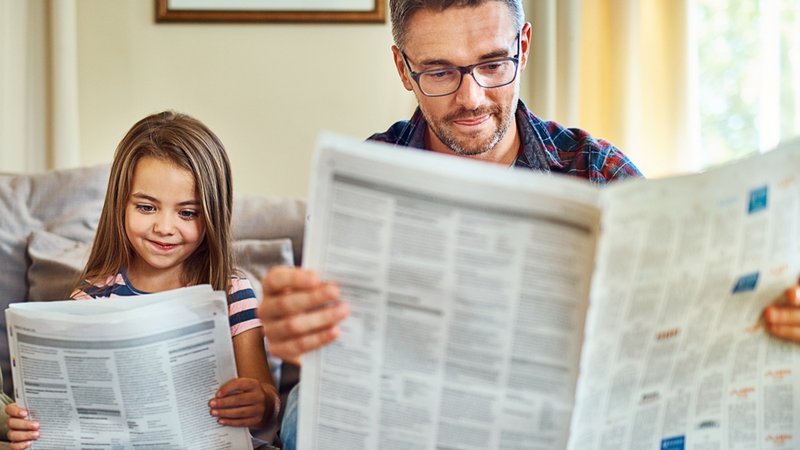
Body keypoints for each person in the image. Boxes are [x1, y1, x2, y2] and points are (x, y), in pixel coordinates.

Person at [261, 0, 800, 447]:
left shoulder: (594, 167)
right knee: (303, 412)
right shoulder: (363, 178)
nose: (471, 99)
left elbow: (690, 304)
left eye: (493, 64)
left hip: (564, 417)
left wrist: (774, 308)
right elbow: (323, 351)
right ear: (404, 68)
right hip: (415, 417)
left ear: (523, 45)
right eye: (441, 72)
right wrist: (294, 332)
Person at [4, 111, 280, 449]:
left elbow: (268, 406)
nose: (164, 227)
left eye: (187, 213)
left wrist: (261, 403)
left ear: (212, 215)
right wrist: (28, 427)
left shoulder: (232, 292)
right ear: (120, 205)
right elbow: (70, 414)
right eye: (147, 208)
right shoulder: (92, 300)